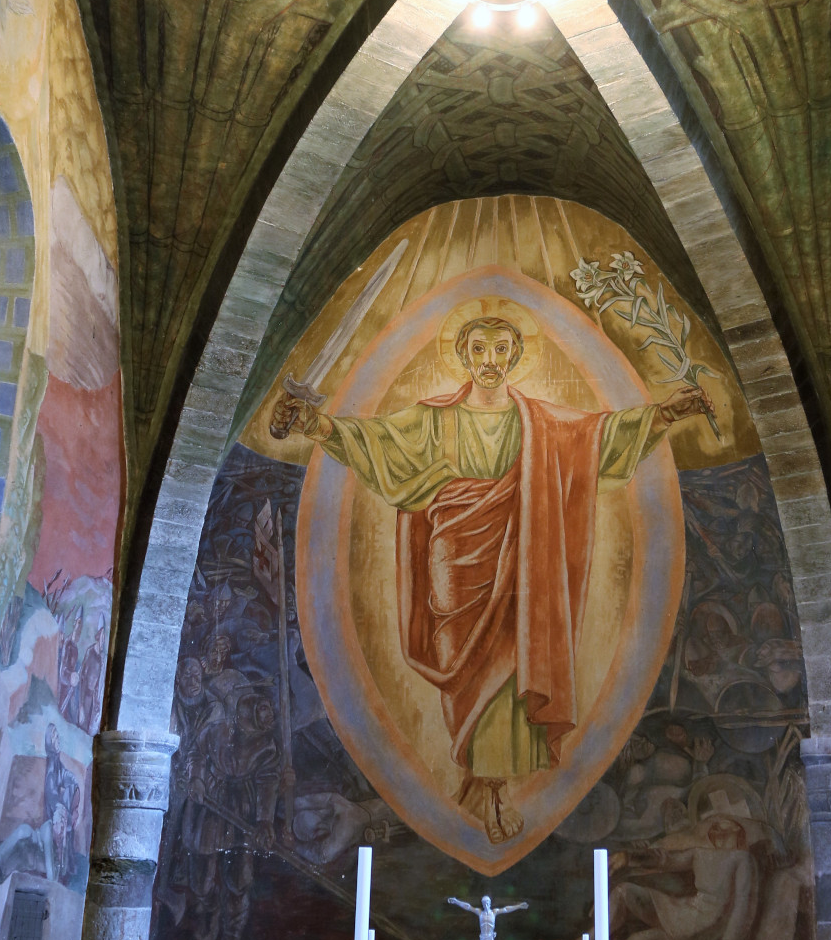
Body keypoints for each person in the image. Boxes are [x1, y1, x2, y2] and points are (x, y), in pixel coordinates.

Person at [271, 312, 710, 844]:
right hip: (454, 561)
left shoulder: (541, 424)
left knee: (515, 663)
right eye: (479, 349)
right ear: (463, 355)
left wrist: (666, 414)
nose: (490, 361)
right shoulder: (435, 419)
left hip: (524, 562)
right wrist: (313, 424)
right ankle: (479, 777)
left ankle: (495, 785)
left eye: (502, 350)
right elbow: (377, 444)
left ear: (516, 357)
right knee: (466, 670)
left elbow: (598, 438)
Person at [540, 815, 759, 940]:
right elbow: (665, 860)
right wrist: (630, 857)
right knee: (624, 891)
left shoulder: (743, 859)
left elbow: (743, 903)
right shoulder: (700, 853)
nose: (717, 828)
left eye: (725, 825)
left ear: (737, 830)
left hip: (703, 926)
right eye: (715, 824)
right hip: (683, 911)